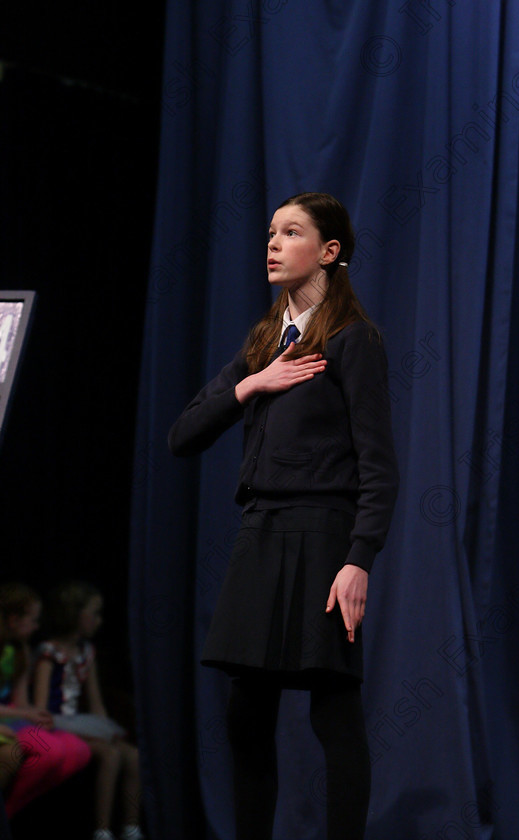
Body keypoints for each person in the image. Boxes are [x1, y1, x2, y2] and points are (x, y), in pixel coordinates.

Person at [168, 191, 400, 839]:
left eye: (290, 232)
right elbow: (182, 435)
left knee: (333, 711)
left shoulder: (355, 342)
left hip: (322, 538)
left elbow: (379, 469)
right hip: (260, 538)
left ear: (329, 252)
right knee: (247, 716)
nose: (272, 243)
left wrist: (358, 560)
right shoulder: (265, 342)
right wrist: (252, 383)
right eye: (270, 231)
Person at [33, 580, 144, 840]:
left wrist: (106, 729)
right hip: (54, 723)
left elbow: (95, 702)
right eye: (94, 613)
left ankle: (130, 826)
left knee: (133, 756)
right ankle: (102, 830)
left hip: (81, 723)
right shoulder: (49, 652)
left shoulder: (86, 652)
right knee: (110, 755)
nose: (98, 620)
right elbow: (40, 707)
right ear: (75, 614)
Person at [0, 581, 91, 818]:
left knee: (78, 751)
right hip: (6, 717)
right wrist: (25, 715)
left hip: (11, 714)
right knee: (49, 751)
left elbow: (22, 701)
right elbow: (20, 711)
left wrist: (36, 715)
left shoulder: (20, 650)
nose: (36, 626)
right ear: (13, 619)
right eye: (33, 620)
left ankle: (12, 809)